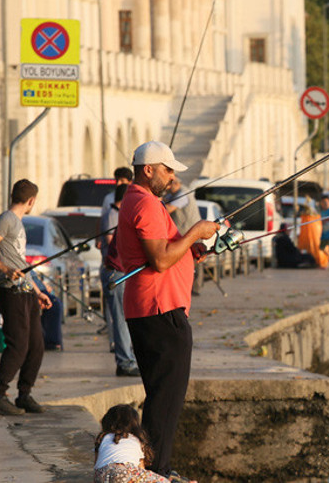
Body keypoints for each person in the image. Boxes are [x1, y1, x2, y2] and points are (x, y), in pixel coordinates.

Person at [116, 141, 219, 478]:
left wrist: (192, 250)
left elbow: (166, 252)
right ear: (149, 169)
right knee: (166, 399)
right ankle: (158, 471)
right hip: (160, 310)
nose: (172, 177)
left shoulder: (140, 200)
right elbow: (160, 260)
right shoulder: (145, 203)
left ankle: (156, 467)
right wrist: (195, 232)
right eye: (168, 169)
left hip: (152, 308)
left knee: (162, 395)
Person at [0, 179, 53, 416]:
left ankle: (24, 394)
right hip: (11, 292)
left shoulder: (17, 223)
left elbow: (20, 263)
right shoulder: (7, 219)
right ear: (31, 201)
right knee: (18, 345)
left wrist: (38, 291)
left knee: (37, 345)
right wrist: (4, 269)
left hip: (26, 291)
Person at [101, 184, 140, 377]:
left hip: (120, 273)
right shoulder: (117, 215)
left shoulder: (123, 216)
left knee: (126, 319)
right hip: (116, 274)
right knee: (121, 320)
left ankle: (128, 358)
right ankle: (125, 362)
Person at [99, 167, 133, 346]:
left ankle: (127, 352)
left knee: (124, 315)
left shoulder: (121, 213)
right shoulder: (113, 213)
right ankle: (123, 356)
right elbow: (112, 240)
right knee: (118, 316)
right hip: (114, 268)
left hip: (122, 268)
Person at [94, 404, 170, 483]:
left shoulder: (103, 438)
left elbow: (97, 465)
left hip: (102, 475)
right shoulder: (135, 439)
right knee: (164, 481)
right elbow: (141, 468)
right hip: (126, 472)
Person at [164, 176, 202, 295]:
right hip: (182, 235)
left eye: (169, 185)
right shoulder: (171, 195)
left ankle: (194, 289)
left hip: (192, 234)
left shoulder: (183, 194)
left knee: (194, 262)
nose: (168, 187)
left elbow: (169, 208)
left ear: (175, 184)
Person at [297, 205, 329, 269]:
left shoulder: (315, 219)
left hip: (319, 238)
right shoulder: (307, 218)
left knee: (321, 248)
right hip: (318, 238)